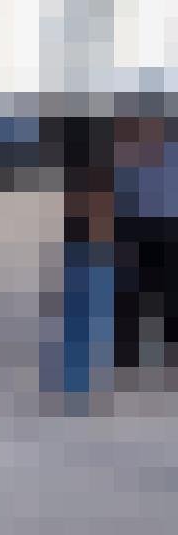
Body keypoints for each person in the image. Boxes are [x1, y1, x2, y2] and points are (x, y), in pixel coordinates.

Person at [49, 114, 118, 411]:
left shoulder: (81, 176)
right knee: (86, 315)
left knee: (85, 315)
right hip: (85, 249)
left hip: (85, 249)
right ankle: (80, 386)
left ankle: (79, 385)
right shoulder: (91, 178)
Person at [113, 110, 178, 379]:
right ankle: (128, 355)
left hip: (162, 224)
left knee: (158, 289)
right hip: (133, 223)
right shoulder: (124, 147)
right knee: (132, 291)